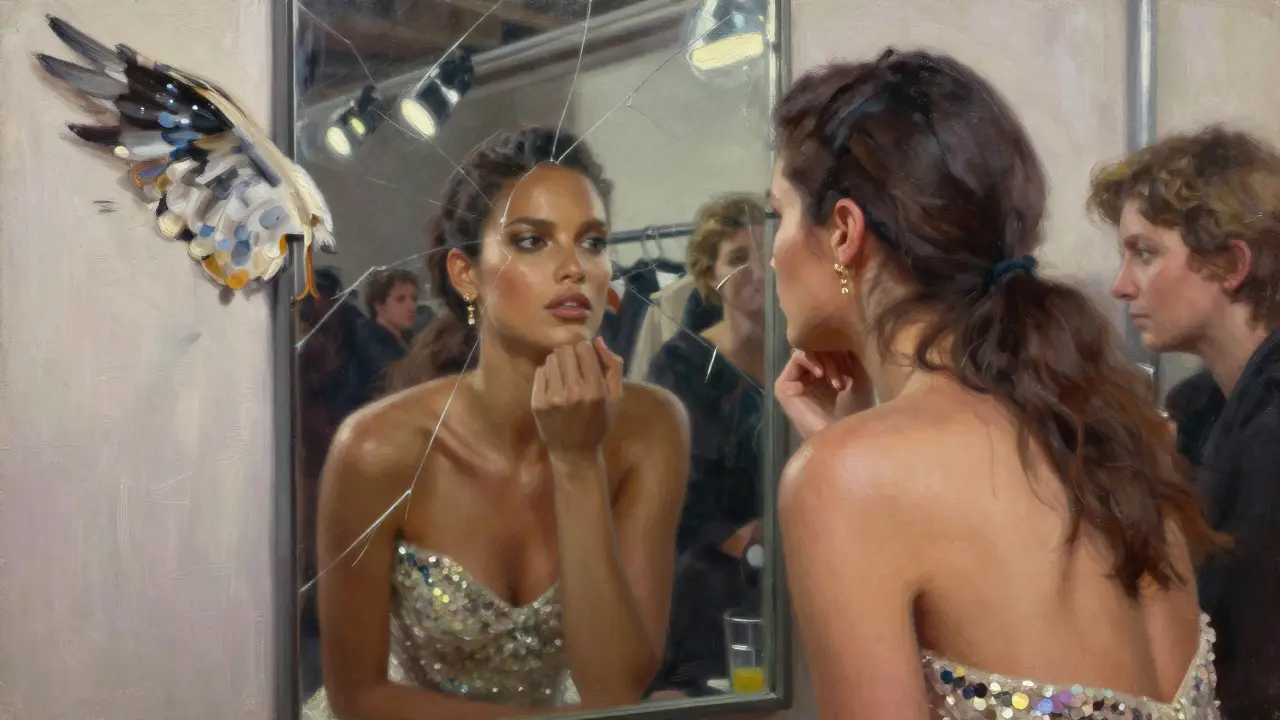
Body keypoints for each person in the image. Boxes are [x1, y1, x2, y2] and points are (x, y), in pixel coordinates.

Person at [768, 49, 1226, 719]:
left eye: (776, 213)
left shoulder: (847, 479)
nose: (770, 250)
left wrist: (841, 468)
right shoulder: (1121, 441)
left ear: (843, 232)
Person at [303, 127, 691, 720]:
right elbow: (361, 698)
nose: (574, 269)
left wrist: (576, 462)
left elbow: (614, 690)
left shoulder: (649, 427)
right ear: (466, 274)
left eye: (592, 243)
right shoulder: (378, 448)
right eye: (532, 241)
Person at [1091, 125, 1280, 718]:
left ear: (1230, 264)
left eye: (1144, 253)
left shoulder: (1272, 434)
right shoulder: (1199, 407)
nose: (1121, 287)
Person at [645, 195, 767, 696]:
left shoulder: (808, 356)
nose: (756, 269)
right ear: (708, 274)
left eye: (764, 253)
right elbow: (673, 495)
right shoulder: (681, 364)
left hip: (798, 574)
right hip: (712, 589)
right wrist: (745, 539)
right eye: (738, 257)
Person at [353, 268, 421, 402]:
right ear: (379, 305)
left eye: (414, 299)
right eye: (400, 299)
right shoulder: (371, 341)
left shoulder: (409, 336)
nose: (412, 306)